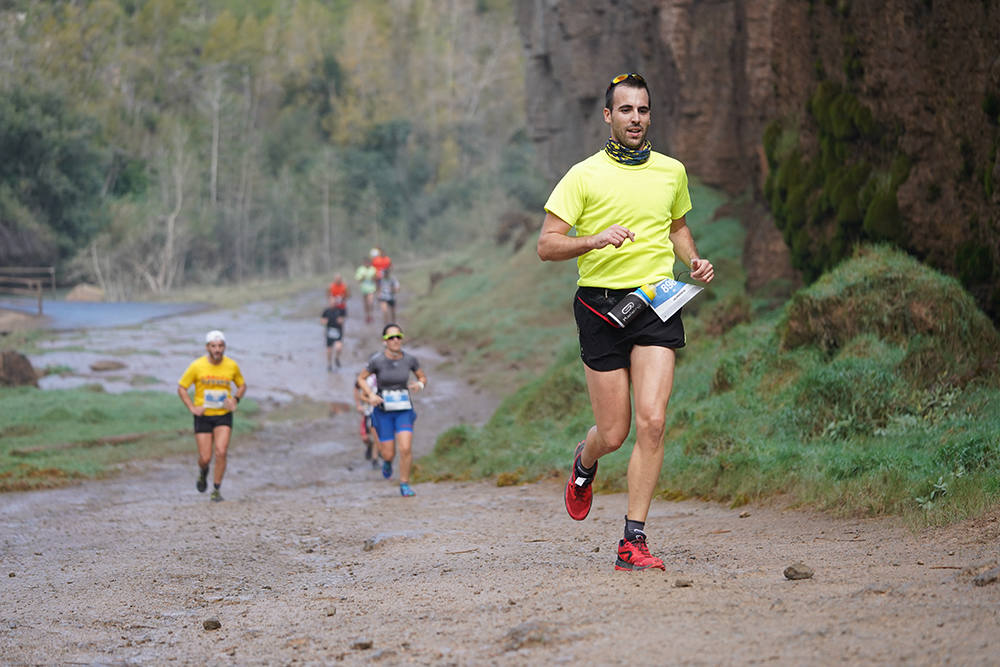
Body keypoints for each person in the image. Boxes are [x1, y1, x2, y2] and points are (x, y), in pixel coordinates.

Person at [536, 72, 715, 571]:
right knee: (614, 433)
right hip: (600, 307)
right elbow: (546, 245)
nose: (635, 119)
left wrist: (694, 260)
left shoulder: (671, 171)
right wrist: (592, 240)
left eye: (643, 110)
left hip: (658, 300)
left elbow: (677, 226)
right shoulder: (583, 175)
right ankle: (585, 460)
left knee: (653, 422)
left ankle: (632, 540)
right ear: (608, 116)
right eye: (626, 110)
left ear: (649, 115)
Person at [357, 323, 428, 497]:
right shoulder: (377, 361)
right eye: (391, 338)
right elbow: (361, 379)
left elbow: (422, 376)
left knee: (405, 448)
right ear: (384, 341)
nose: (395, 340)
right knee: (388, 453)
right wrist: (370, 395)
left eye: (399, 337)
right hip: (384, 412)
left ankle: (404, 484)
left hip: (403, 410)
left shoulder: (410, 360)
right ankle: (387, 462)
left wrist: (420, 384)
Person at [177, 330, 247, 502]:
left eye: (220, 346)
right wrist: (192, 407)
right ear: (207, 347)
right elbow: (181, 387)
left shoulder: (231, 365)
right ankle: (203, 471)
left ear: (225, 347)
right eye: (214, 346)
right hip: (203, 416)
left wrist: (235, 399)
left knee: (221, 452)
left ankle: (216, 489)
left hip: (223, 414)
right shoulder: (197, 366)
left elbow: (242, 385)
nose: (217, 350)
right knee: (205, 457)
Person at [353, 373, 379, 465]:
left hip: (378, 413)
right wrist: (358, 405)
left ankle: (375, 459)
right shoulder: (367, 376)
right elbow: (356, 388)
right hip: (367, 411)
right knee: (365, 438)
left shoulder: (386, 375)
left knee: (375, 433)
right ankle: (370, 446)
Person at [322, 296, 347, 371]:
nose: (332, 303)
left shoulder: (340, 311)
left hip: (338, 332)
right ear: (329, 303)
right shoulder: (326, 311)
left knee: (338, 347)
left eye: (334, 302)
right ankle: (329, 364)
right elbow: (322, 320)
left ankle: (337, 358)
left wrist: (341, 321)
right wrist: (324, 322)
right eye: (331, 302)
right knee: (329, 350)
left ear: (336, 303)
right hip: (329, 332)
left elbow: (343, 319)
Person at [355, 257, 377, 323]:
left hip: (371, 288)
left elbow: (376, 279)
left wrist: (373, 278)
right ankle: (367, 316)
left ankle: (371, 315)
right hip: (364, 289)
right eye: (366, 263)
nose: (367, 264)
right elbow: (358, 280)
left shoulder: (373, 269)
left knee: (370, 302)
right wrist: (363, 277)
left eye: (368, 263)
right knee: (366, 304)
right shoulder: (360, 269)